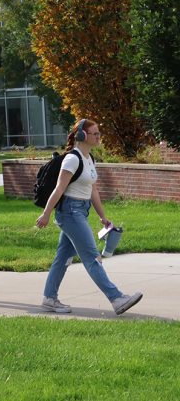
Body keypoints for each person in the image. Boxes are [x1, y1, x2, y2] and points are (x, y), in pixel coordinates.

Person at [36, 119, 143, 315]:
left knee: (62, 259)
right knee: (92, 257)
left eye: (98, 133)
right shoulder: (72, 159)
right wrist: (46, 213)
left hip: (80, 211)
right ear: (82, 136)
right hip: (69, 212)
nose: (98, 136)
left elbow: (93, 190)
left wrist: (103, 216)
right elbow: (59, 188)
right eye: (95, 133)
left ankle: (49, 298)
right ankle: (117, 298)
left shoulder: (89, 159)